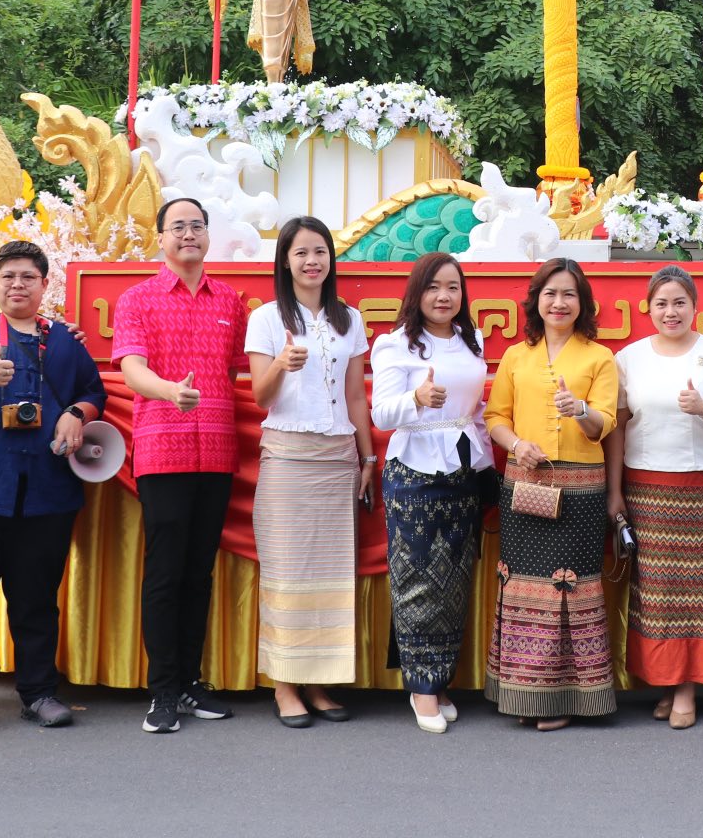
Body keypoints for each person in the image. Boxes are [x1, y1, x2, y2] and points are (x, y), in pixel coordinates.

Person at [0, 241, 106, 738]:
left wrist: (76, 413)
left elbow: (93, 392)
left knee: (36, 601)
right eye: (8, 276)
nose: (17, 285)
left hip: (45, 492)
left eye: (28, 276)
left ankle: (39, 693)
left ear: (44, 284)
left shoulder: (64, 341)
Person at [112, 196, 250, 733]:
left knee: (199, 573)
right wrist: (170, 391)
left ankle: (191, 683)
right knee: (166, 573)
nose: (188, 234)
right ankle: (163, 691)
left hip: (216, 450)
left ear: (208, 235)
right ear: (161, 238)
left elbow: (238, 371)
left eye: (197, 226)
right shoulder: (137, 299)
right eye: (178, 227)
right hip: (162, 449)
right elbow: (131, 369)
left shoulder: (231, 301)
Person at [245, 216, 373, 727]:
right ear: (285, 261)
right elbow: (260, 396)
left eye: (319, 251)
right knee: (287, 573)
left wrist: (367, 458)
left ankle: (319, 683)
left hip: (338, 458)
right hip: (288, 457)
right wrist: (281, 364)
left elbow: (357, 396)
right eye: (300, 253)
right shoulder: (266, 318)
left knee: (329, 577)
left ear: (330, 259)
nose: (311, 261)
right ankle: (284, 686)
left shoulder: (350, 319)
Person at [483, 257, 620, 730]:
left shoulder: (599, 358)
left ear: (582, 304)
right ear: (536, 301)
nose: (559, 303)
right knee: (524, 586)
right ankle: (523, 693)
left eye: (569, 294)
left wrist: (579, 409)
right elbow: (495, 417)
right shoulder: (516, 356)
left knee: (570, 587)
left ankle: (567, 698)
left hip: (580, 490)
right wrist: (516, 445)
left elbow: (604, 425)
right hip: (525, 482)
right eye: (550, 293)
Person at [605, 265, 703, 730]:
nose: (671, 312)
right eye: (662, 303)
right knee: (658, 593)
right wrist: (615, 491)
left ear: (695, 307)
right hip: (648, 487)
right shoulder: (629, 358)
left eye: (680, 302)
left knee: (700, 591)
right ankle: (668, 681)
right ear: (648, 308)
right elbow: (618, 429)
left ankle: (687, 689)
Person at [372, 252, 493, 733]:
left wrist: (485, 463)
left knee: (455, 581)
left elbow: (476, 411)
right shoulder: (395, 344)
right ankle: (421, 687)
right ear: (416, 292)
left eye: (453, 287)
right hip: (414, 472)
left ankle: (439, 679)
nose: (444, 296)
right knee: (417, 579)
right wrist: (416, 400)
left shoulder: (470, 340)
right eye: (433, 287)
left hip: (462, 469)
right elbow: (382, 414)